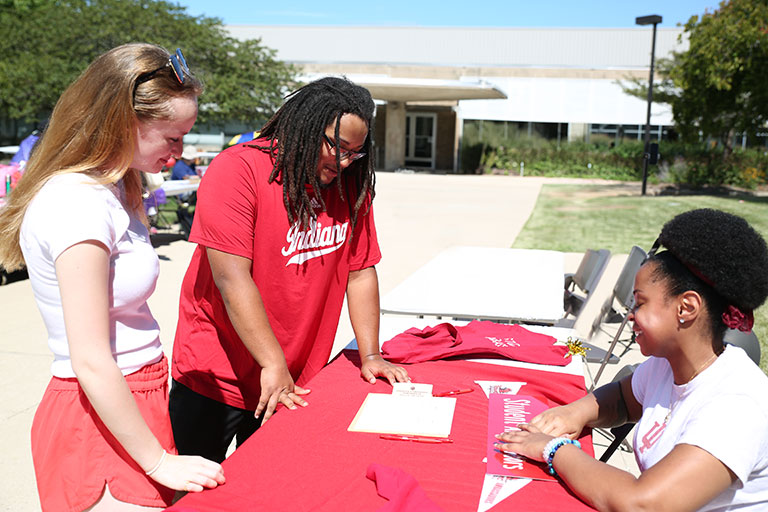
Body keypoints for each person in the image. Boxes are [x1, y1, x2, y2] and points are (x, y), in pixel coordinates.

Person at [0, 43, 224, 511]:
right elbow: (90, 359)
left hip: (131, 401)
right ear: (123, 123)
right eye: (172, 137)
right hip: (97, 412)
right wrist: (159, 462)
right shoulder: (77, 203)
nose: (180, 151)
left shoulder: (118, 186)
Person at [169, 76, 411, 462]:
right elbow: (231, 278)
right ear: (306, 127)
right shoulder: (238, 170)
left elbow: (360, 271)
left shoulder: (349, 186)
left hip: (292, 379)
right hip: (215, 377)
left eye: (357, 153)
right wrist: (273, 362)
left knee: (267, 491)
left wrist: (370, 356)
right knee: (198, 496)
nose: (346, 161)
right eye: (338, 147)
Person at [495, 208, 768, 511]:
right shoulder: (668, 365)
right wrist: (574, 414)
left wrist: (554, 449)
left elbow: (643, 505)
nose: (630, 315)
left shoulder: (737, 406)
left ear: (686, 308)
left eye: (640, 303)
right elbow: (624, 399)